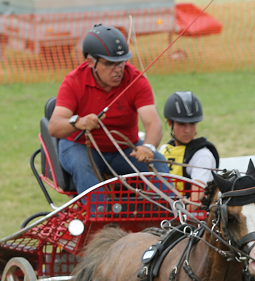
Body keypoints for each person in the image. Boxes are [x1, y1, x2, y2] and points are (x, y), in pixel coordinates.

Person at [48, 24, 169, 194]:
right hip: (80, 146)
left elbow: (153, 123)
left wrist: (148, 147)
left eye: (122, 63)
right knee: (82, 165)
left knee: (158, 163)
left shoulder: (136, 80)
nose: (118, 70)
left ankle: (170, 215)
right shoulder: (73, 81)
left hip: (125, 150)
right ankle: (100, 217)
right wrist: (78, 122)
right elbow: (54, 126)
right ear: (91, 61)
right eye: (110, 64)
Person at [159, 91, 219, 190]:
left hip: (188, 204)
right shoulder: (163, 149)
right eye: (181, 124)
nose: (187, 130)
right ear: (170, 123)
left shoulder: (202, 155)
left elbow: (197, 198)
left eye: (192, 124)